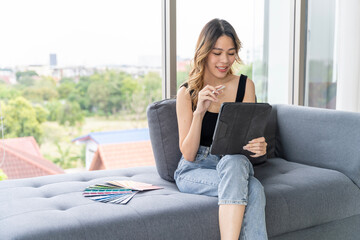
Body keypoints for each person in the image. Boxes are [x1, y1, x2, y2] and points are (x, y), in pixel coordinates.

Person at [174, 18, 268, 240]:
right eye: (217, 53)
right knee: (254, 190)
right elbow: (188, 154)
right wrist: (200, 113)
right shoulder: (187, 92)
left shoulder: (245, 86)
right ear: (204, 52)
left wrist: (259, 146)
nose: (224, 60)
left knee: (234, 161)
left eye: (231, 52)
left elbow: (247, 141)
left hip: (234, 163)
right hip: (195, 169)